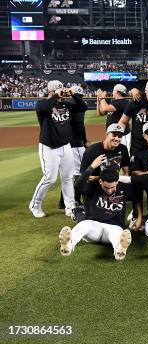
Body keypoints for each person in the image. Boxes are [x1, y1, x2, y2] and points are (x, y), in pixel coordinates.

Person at [29, 81, 87, 218]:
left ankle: (70, 206)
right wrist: (55, 95)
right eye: (59, 90)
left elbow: (83, 106)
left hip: (65, 146)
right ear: (51, 91)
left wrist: (73, 94)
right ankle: (35, 204)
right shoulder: (42, 105)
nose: (62, 93)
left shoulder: (66, 105)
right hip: (49, 147)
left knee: (67, 178)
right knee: (50, 178)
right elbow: (44, 107)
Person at [58, 160, 133, 260]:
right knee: (83, 225)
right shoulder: (93, 186)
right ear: (100, 181)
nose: (110, 190)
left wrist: (137, 216)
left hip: (114, 227)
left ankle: (119, 250)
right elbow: (78, 185)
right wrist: (92, 166)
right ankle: (68, 245)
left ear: (117, 182)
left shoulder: (126, 188)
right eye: (106, 187)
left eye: (113, 187)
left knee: (117, 234)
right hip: (94, 227)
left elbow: (138, 192)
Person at [96, 84, 131, 151]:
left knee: (125, 154)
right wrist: (99, 100)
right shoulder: (115, 102)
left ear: (117, 92)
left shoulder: (123, 102)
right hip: (113, 135)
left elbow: (105, 108)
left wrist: (102, 97)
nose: (112, 92)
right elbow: (100, 113)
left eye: (113, 91)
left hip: (122, 135)